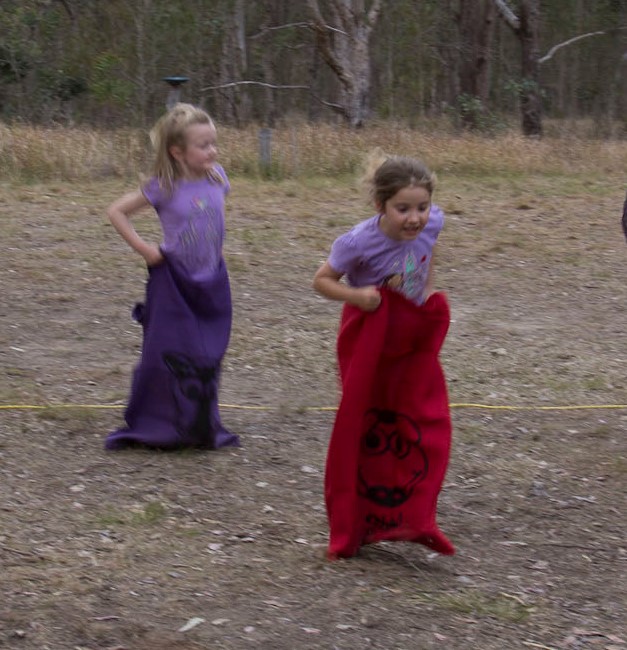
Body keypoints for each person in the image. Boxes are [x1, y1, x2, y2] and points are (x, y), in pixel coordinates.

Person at [313, 152, 454, 559]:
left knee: (420, 419)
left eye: (422, 207)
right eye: (403, 209)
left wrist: (427, 290)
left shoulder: (433, 222)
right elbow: (322, 281)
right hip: (368, 339)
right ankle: (359, 513)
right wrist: (358, 296)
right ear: (380, 205)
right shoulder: (358, 241)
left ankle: (414, 513)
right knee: (369, 421)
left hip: (409, 336)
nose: (415, 218)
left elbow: (429, 249)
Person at [104, 103, 240, 451]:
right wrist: (146, 250)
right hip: (173, 283)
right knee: (170, 354)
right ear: (177, 152)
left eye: (214, 143)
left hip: (211, 282)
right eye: (203, 145)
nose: (213, 151)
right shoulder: (163, 186)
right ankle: (161, 423)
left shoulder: (218, 177)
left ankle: (199, 423)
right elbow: (116, 211)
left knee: (207, 354)